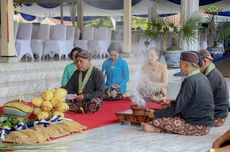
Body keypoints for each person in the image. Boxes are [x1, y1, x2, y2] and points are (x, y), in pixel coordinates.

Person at [142, 51, 214, 136]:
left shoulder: (190, 81)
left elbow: (177, 108)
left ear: (186, 64)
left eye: (180, 64)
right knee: (160, 118)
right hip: (203, 124)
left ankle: (161, 130)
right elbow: (185, 102)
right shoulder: (201, 77)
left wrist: (155, 114)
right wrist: (169, 103)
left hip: (197, 126)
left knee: (154, 122)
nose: (179, 67)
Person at [198, 49, 229, 127]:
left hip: (217, 115)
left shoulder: (212, 76)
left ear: (204, 61)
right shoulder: (210, 73)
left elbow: (199, 98)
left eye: (197, 63)